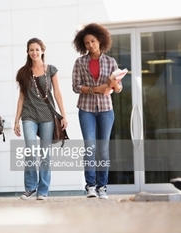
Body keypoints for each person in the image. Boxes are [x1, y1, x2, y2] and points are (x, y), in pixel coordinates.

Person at [72, 23, 123, 199]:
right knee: (90, 147)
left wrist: (113, 83)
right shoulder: (80, 62)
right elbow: (76, 87)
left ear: (100, 40)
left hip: (106, 110)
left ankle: (102, 187)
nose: (90, 45)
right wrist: (96, 89)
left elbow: (118, 89)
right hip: (86, 109)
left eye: (93, 41)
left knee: (103, 150)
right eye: (86, 43)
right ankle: (91, 186)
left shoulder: (110, 62)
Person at [14, 38, 68, 201]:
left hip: (47, 115)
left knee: (45, 154)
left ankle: (43, 190)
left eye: (37, 49)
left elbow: (57, 93)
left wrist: (64, 114)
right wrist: (16, 120)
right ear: (28, 52)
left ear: (42, 50)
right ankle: (30, 187)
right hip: (29, 114)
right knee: (30, 150)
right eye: (31, 50)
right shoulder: (23, 72)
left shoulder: (51, 70)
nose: (34, 52)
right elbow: (21, 97)